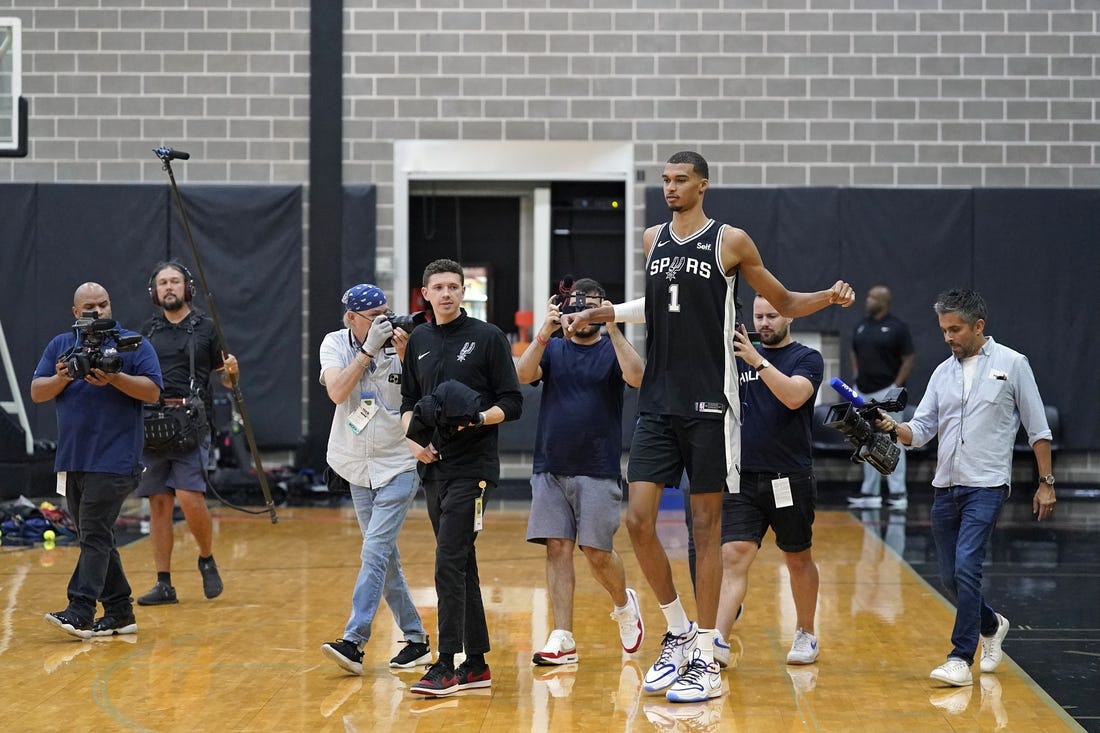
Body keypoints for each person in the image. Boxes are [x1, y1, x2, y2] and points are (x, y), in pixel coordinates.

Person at [562, 151, 854, 703]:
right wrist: (603, 314)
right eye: (665, 181)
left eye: (680, 181)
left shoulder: (731, 240)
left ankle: (706, 653)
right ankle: (676, 631)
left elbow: (783, 300)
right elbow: (658, 305)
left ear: (703, 186)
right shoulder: (652, 240)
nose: (670, 189)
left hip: (711, 404)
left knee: (706, 529)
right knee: (639, 520)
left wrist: (827, 297)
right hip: (658, 400)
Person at [878, 289, 1054, 687]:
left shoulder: (1013, 364)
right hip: (946, 487)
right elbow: (920, 431)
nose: (948, 337)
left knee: (966, 567)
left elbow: (1038, 429)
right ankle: (992, 625)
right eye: (943, 330)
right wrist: (894, 428)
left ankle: (960, 657)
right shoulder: (942, 372)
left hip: (987, 485)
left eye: (955, 329)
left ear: (978, 326)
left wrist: (1046, 483)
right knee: (950, 578)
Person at [400, 258, 523, 697]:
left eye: (455, 286)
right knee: (460, 561)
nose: (448, 293)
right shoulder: (419, 340)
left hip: (475, 471)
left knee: (448, 559)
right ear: (426, 294)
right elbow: (408, 402)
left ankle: (446, 664)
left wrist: (476, 418)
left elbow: (513, 403)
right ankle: (477, 664)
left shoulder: (487, 338)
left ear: (463, 291)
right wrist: (416, 444)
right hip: (434, 467)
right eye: (439, 287)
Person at [515, 278, 646, 666]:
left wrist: (612, 325)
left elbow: (638, 376)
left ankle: (624, 605)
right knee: (557, 547)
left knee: (596, 552)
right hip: (550, 465)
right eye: (578, 306)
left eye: (592, 306)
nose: (583, 313)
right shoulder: (553, 349)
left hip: (597, 466)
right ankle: (563, 636)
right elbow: (522, 375)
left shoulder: (611, 348)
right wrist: (543, 331)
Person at [32, 282, 163, 638]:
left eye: (103, 304)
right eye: (89, 307)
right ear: (76, 312)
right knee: (97, 535)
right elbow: (37, 392)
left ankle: (80, 609)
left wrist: (115, 378)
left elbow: (153, 391)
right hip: (74, 457)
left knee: (92, 532)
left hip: (116, 458)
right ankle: (120, 611)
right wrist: (61, 378)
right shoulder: (61, 345)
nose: (98, 311)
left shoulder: (132, 343)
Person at [319, 284, 432, 675]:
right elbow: (336, 392)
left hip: (399, 462)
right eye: (374, 316)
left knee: (374, 551)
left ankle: (353, 642)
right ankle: (416, 640)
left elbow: (421, 395)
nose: (384, 321)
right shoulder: (335, 343)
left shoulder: (407, 343)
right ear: (351, 317)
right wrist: (367, 352)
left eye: (387, 312)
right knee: (384, 558)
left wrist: (404, 356)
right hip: (355, 465)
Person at [713, 295, 824, 668]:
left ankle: (806, 632)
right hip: (742, 477)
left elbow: (794, 397)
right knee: (733, 556)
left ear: (789, 316)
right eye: (758, 316)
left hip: (789, 476)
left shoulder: (807, 359)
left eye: (772, 316)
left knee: (797, 557)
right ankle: (718, 644)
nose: (763, 324)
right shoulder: (737, 357)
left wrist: (757, 361)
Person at [134, 262, 237, 606]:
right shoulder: (146, 331)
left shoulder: (207, 329)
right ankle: (164, 583)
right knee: (158, 503)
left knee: (189, 495)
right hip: (152, 423)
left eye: (174, 281)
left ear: (187, 287)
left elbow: (227, 379)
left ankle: (206, 557)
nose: (168, 287)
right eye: (162, 282)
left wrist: (232, 374)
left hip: (191, 422)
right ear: (154, 291)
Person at [849, 285, 915, 509]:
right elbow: (853, 352)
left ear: (884, 301)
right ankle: (870, 492)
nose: (867, 300)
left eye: (872, 297)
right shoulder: (862, 326)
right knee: (866, 439)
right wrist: (857, 377)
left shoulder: (897, 328)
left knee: (892, 438)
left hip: (887, 392)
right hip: (864, 392)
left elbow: (908, 358)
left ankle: (898, 494)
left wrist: (896, 385)